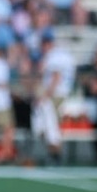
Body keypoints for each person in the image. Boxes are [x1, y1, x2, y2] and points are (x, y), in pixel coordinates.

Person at [32, 31, 77, 165]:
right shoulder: (62, 55)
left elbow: (56, 77)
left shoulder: (54, 56)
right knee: (50, 126)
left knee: (50, 126)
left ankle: (55, 154)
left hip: (56, 95)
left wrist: (46, 96)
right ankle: (53, 154)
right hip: (61, 93)